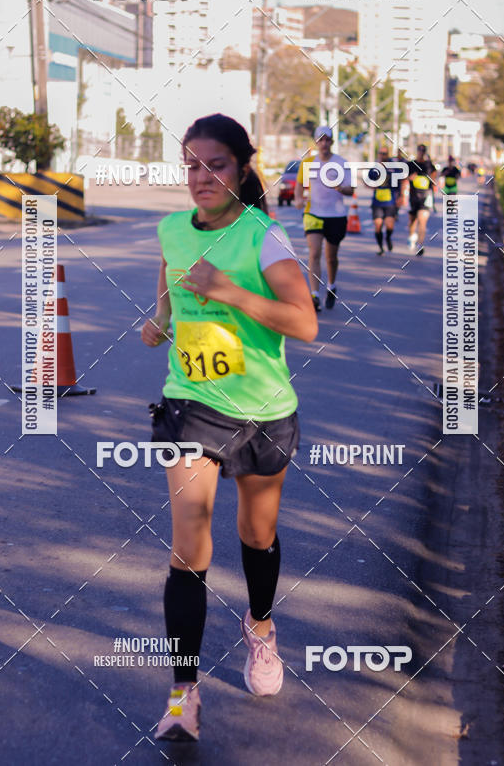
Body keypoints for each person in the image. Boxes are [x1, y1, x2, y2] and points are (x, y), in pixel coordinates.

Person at [141, 113, 318, 743]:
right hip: (191, 403)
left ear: (242, 168)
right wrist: (159, 321)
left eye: (214, 164)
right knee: (189, 544)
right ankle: (183, 695)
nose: (201, 176)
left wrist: (229, 292)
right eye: (191, 164)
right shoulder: (170, 229)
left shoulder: (262, 237)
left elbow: (304, 323)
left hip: (265, 410)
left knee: (256, 533)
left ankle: (262, 628)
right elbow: (167, 297)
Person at [293, 125, 355, 311]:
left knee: (331, 257)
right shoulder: (308, 163)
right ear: (316, 142)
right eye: (321, 140)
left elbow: (350, 189)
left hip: (335, 215)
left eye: (327, 140)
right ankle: (314, 295)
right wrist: (297, 199)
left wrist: (340, 188)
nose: (324, 143)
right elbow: (299, 185)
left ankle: (332, 286)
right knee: (314, 253)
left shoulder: (341, 163)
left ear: (332, 142)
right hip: (313, 213)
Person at [401, 143, 437, 256]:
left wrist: (432, 181)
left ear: (425, 152)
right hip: (413, 196)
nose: (421, 152)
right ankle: (412, 236)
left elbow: (435, 174)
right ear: (417, 151)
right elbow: (404, 178)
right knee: (412, 220)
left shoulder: (429, 165)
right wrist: (409, 180)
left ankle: (420, 245)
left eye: (423, 151)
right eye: (419, 150)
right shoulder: (411, 164)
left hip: (425, 196)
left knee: (422, 220)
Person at [370, 146, 401, 254]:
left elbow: (399, 183)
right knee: (378, 225)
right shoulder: (375, 167)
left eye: (384, 153)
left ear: (388, 155)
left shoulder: (393, 167)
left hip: (390, 201)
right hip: (377, 201)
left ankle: (388, 238)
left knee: (389, 226)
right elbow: (369, 180)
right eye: (380, 153)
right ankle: (380, 247)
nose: (382, 155)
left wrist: (400, 197)